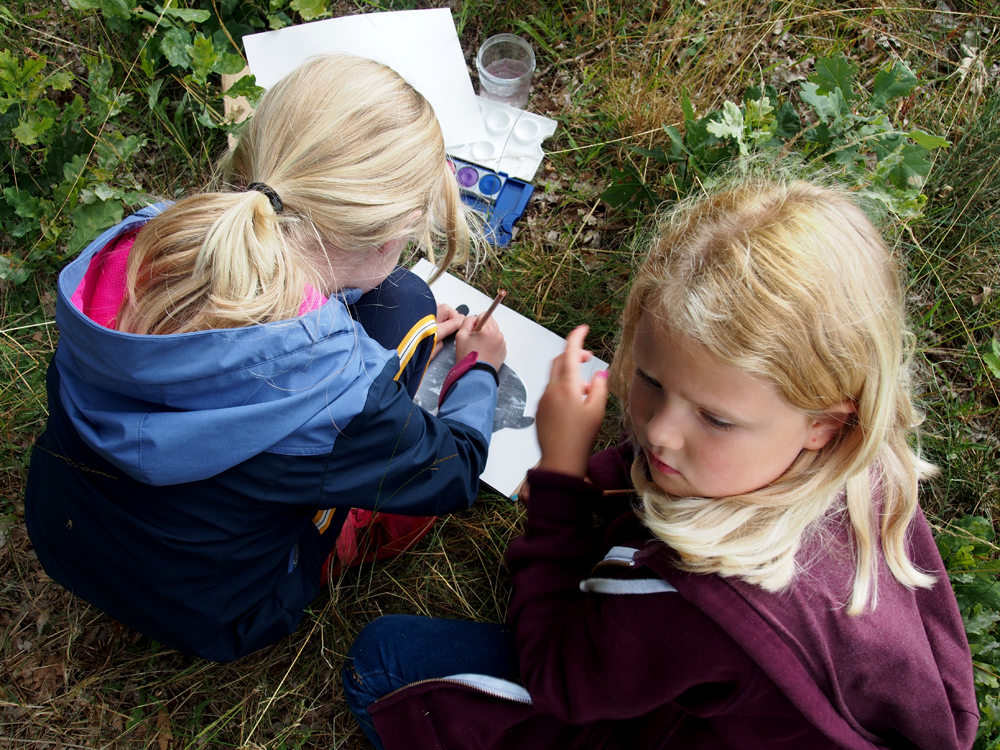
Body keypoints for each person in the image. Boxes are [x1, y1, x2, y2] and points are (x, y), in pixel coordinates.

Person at [341, 180, 978, 749]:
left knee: (382, 664)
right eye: (649, 379)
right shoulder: (865, 464)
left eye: (716, 419)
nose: (659, 431)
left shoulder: (686, 599)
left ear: (824, 423)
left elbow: (559, 677)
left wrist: (563, 476)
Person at [24, 55, 506, 664]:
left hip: (65, 536)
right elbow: (456, 471)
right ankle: (351, 530)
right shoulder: (335, 397)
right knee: (407, 302)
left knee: (398, 303)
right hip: (222, 613)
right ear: (396, 231)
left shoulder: (145, 242)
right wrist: (479, 371)